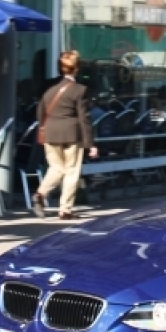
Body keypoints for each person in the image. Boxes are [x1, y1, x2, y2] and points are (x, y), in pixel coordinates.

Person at [33, 50, 98, 220]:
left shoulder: (49, 88)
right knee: (71, 171)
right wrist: (90, 143)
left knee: (56, 167)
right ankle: (65, 210)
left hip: (50, 133)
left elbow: (40, 112)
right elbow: (84, 118)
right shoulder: (80, 90)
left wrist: (45, 128)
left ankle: (40, 193)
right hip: (71, 133)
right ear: (76, 68)